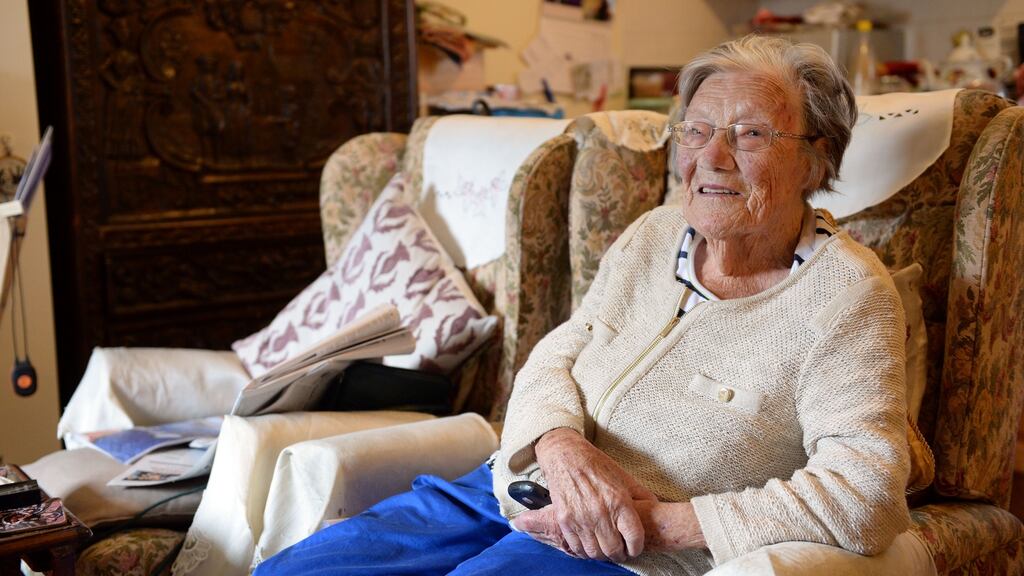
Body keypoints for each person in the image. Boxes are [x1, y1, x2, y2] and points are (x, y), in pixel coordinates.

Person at [254, 35, 913, 576]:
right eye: (696, 129)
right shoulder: (655, 234)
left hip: (630, 550)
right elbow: (560, 352)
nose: (712, 157)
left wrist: (661, 523)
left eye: (749, 135)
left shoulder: (846, 295)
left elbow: (866, 494)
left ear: (815, 160)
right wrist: (559, 444)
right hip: (510, 489)